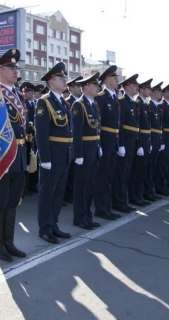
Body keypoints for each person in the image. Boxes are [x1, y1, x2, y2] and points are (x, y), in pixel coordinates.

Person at [0, 48, 28, 261]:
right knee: (0, 200)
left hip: (19, 153)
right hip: (2, 154)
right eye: (11, 67)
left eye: (16, 66)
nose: (15, 70)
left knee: (13, 200)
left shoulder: (17, 94)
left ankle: (9, 241)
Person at [35, 62, 74, 241]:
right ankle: (44, 228)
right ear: (52, 81)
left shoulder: (63, 103)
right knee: (47, 193)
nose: (65, 81)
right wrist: (45, 158)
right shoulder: (45, 102)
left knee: (58, 193)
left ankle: (54, 224)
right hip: (51, 155)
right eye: (61, 78)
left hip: (64, 154)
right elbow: (41, 133)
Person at [71, 72, 102, 230]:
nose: (98, 88)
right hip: (84, 150)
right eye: (95, 85)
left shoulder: (94, 104)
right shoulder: (79, 104)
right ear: (86, 87)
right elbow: (76, 132)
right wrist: (78, 154)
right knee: (81, 185)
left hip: (93, 149)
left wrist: (99, 145)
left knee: (91, 184)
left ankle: (87, 216)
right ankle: (79, 217)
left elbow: (97, 128)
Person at [94, 65, 124, 220]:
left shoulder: (114, 98)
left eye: (117, 77)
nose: (117, 80)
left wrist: (120, 143)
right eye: (113, 77)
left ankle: (108, 207)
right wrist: (99, 145)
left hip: (114, 142)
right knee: (102, 177)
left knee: (110, 176)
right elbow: (98, 124)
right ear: (106, 80)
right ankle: (101, 208)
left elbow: (117, 123)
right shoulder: (101, 97)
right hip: (105, 142)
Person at [112, 74, 140, 212]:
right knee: (121, 173)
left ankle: (124, 200)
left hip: (132, 141)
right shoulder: (122, 102)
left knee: (127, 172)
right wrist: (121, 144)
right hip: (125, 142)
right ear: (127, 86)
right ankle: (118, 201)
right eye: (135, 85)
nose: (137, 88)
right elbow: (120, 125)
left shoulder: (132, 102)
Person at [63, 76, 83, 204]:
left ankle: (73, 192)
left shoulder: (81, 101)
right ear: (71, 88)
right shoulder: (67, 101)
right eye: (77, 86)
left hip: (80, 140)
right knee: (69, 170)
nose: (80, 88)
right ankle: (67, 193)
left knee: (77, 171)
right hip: (70, 140)